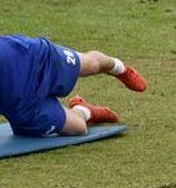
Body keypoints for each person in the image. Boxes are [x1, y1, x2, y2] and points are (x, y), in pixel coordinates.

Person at [0, 35, 147, 137]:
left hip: (33, 60)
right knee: (78, 128)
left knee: (91, 65)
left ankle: (118, 68)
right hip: (20, 106)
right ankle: (85, 110)